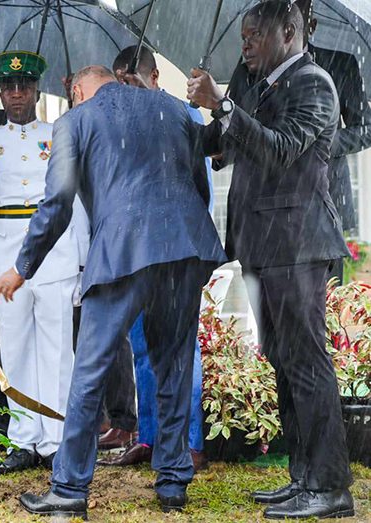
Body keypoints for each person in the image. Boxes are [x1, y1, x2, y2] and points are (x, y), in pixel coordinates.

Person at [0, 65, 226, 518]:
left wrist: (23, 268)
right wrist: (185, 238)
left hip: (120, 251)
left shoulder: (74, 122)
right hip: (183, 245)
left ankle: (68, 491)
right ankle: (173, 480)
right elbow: (199, 185)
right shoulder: (177, 109)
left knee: (90, 370)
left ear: (78, 90)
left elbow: (57, 203)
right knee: (173, 365)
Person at [188, 1, 354, 519]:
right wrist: (201, 111)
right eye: (243, 37)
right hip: (264, 247)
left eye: (254, 36)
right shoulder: (261, 88)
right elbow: (224, 144)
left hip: (299, 246)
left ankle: (330, 487)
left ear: (289, 31)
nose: (246, 45)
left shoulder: (313, 84)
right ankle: (302, 478)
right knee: (284, 363)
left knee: (307, 364)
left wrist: (227, 108)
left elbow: (281, 149)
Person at [100, 45, 212, 472]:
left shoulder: (186, 115)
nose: (125, 87)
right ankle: (149, 438)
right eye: (118, 80)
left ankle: (189, 443)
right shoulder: (113, 124)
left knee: (182, 351)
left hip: (178, 250)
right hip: (133, 252)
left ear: (153, 77)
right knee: (141, 346)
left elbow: (200, 187)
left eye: (131, 78)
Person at [0, 51, 88, 473]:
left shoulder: (60, 135)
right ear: (0, 93)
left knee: (59, 352)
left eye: (25, 87)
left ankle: (56, 440)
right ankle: (24, 441)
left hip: (55, 253)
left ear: (37, 90)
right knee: (16, 350)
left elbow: (74, 204)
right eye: (10, 87)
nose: (17, 94)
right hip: (6, 257)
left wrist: (81, 263)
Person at [225, 0, 371, 284]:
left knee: (321, 314)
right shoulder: (247, 70)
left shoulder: (339, 65)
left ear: (308, 26)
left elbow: (366, 128)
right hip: (257, 212)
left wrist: (319, 141)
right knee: (266, 323)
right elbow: (235, 133)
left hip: (315, 210)